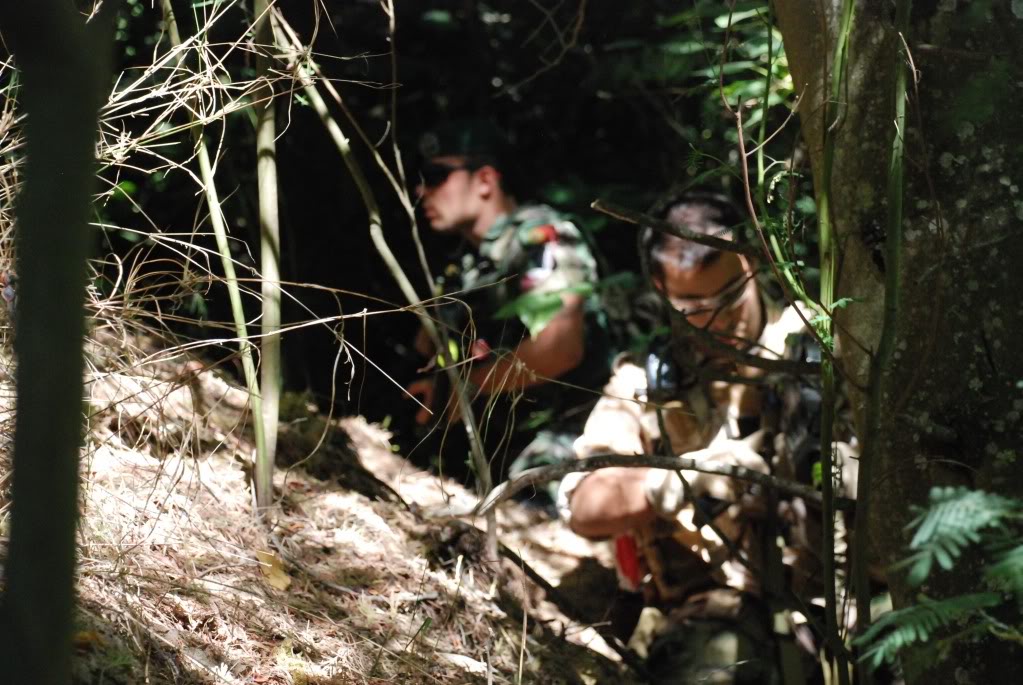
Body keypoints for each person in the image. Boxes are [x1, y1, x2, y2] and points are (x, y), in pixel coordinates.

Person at [558, 192, 858, 683]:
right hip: (718, 616)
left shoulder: (823, 349)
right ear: (661, 290)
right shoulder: (648, 384)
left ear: (752, 262)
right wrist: (679, 482)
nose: (720, 319)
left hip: (843, 605)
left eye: (730, 294)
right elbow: (584, 506)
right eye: (694, 305)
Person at [405, 120, 610, 498]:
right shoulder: (465, 266)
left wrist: (467, 389)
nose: (421, 191)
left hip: (576, 424)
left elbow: (560, 348)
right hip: (502, 436)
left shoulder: (540, 237)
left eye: (436, 176)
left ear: (484, 180)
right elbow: (434, 346)